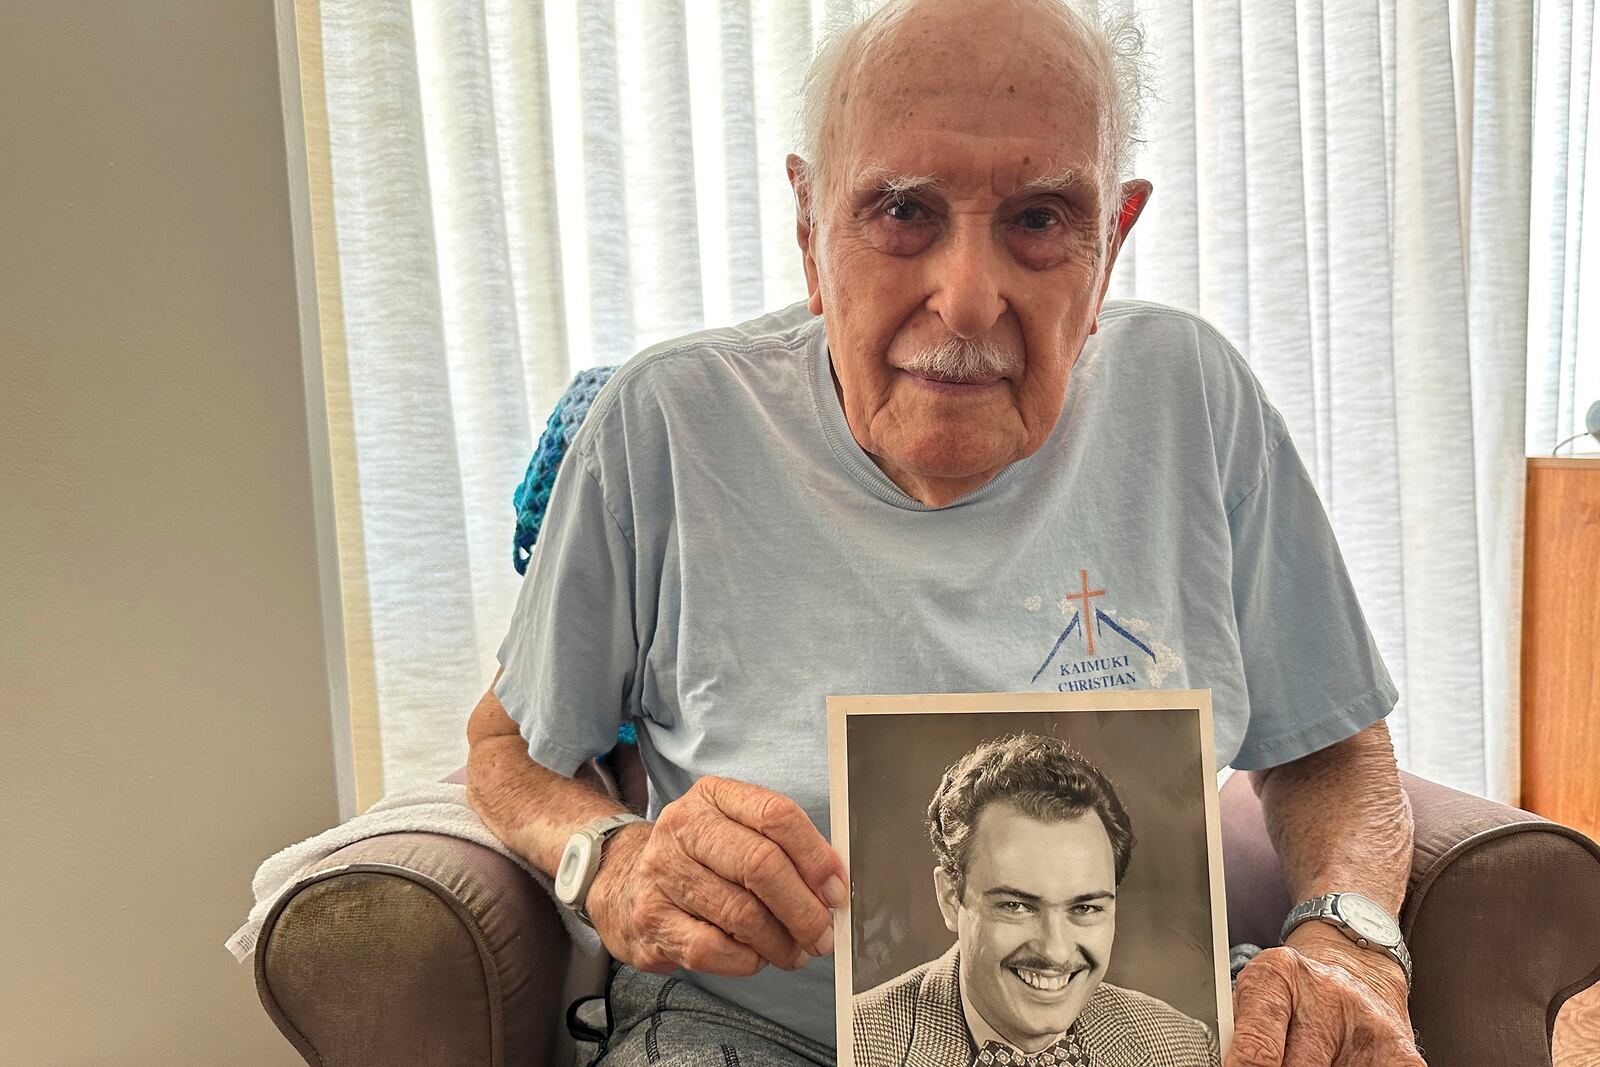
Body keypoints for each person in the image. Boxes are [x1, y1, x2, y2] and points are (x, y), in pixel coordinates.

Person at [466, 1, 1425, 1064]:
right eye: (903, 209)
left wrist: (1349, 938)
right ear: (809, 231)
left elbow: (1335, 749)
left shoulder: (1190, 399)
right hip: (755, 1025)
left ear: (1110, 242)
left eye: (1039, 218)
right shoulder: (666, 422)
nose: (967, 301)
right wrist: (608, 857)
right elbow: (505, 749)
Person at [852, 733, 1217, 1066]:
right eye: (1016, 906)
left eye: (1085, 908)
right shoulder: (855, 1046)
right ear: (950, 898)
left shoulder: (1185, 1046)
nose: (1055, 953)